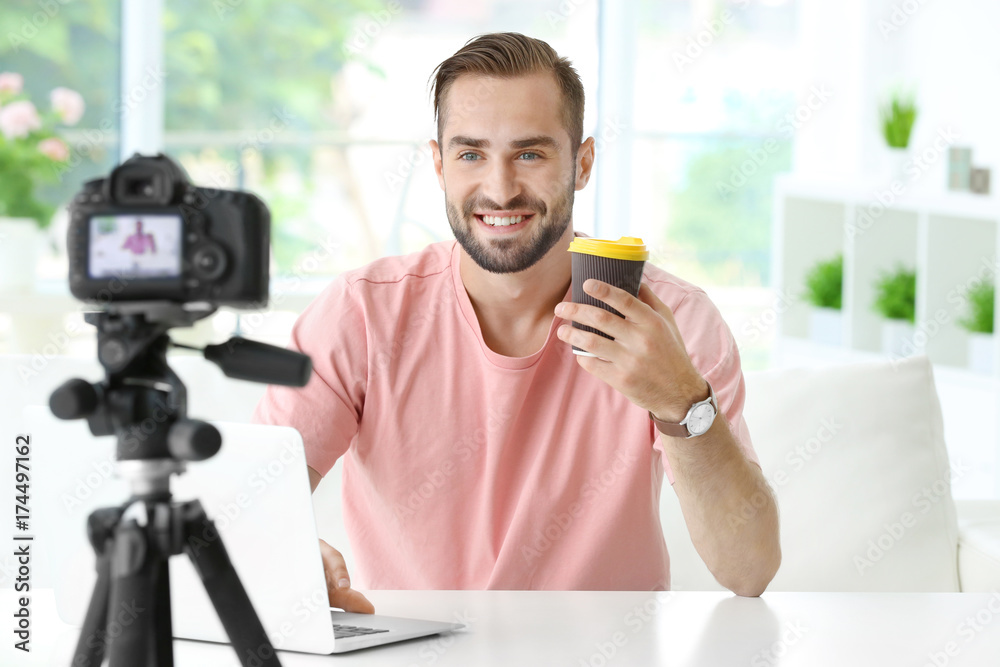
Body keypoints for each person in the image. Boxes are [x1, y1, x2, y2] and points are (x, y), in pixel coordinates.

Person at [252, 32, 780, 615]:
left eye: (530, 154)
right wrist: (287, 548)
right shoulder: (361, 316)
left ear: (581, 164)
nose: (500, 189)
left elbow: (750, 568)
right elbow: (248, 505)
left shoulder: (670, 319)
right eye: (471, 154)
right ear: (438, 164)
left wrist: (680, 400)